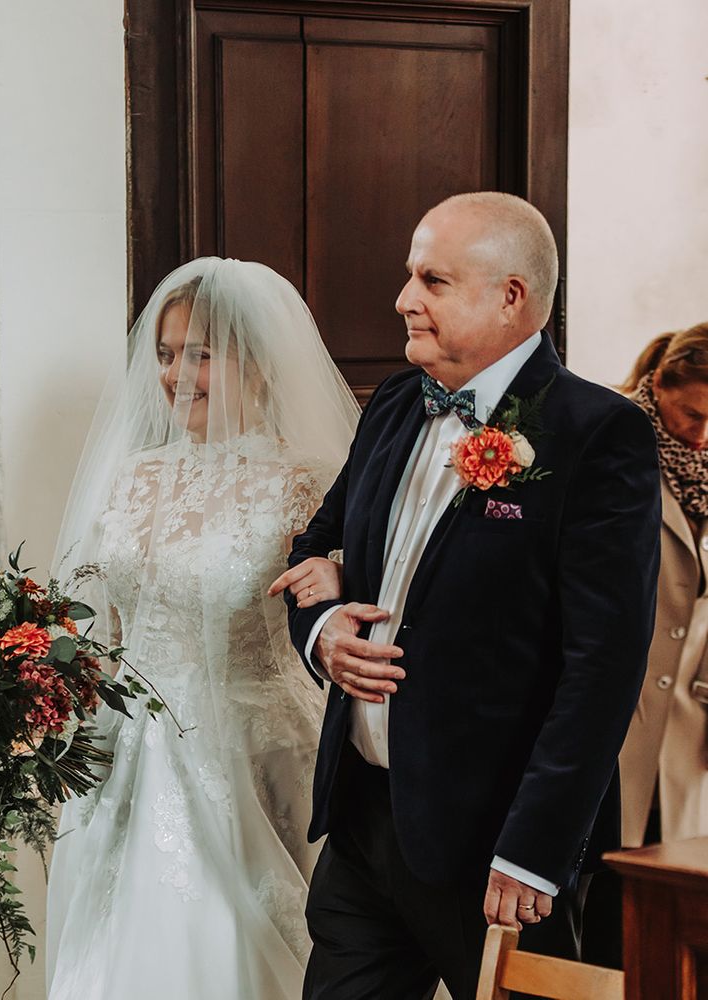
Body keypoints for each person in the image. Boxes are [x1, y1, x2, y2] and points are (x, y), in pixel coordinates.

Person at [282, 192, 662, 1000]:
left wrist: (536, 847)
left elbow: (604, 665)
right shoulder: (392, 403)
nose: (403, 298)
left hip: (497, 843)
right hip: (363, 822)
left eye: (433, 279)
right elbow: (315, 547)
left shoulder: (597, 433)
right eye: (408, 276)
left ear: (510, 296)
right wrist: (322, 632)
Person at [45, 258, 360, 999]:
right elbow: (105, 625)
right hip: (124, 754)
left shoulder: (304, 483)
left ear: (256, 363)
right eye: (163, 353)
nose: (176, 374)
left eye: (200, 354)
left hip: (249, 756)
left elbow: (333, 618)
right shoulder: (134, 474)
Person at [583, 323, 708, 968]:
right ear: (661, 383)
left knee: (674, 890)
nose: (703, 434)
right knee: (611, 887)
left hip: (690, 722)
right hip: (620, 707)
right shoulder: (613, 442)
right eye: (694, 414)